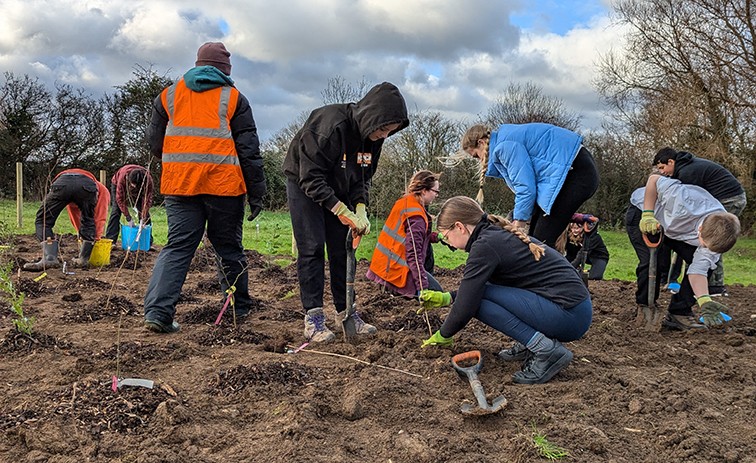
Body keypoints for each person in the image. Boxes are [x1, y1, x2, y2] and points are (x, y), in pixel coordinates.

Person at [143, 42, 267, 334]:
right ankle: (238, 309)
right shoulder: (234, 98)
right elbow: (249, 151)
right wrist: (257, 193)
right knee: (228, 248)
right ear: (225, 70)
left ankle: (159, 313)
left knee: (177, 247)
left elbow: (154, 143)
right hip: (223, 187)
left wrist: (181, 162)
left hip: (179, 186)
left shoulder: (168, 96)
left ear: (197, 65)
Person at [419, 196, 592, 385]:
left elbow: (468, 302)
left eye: (446, 236)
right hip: (573, 310)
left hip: (569, 316)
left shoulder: (485, 245)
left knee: (477, 301)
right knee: (481, 294)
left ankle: (546, 350)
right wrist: (448, 298)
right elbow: (484, 288)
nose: (447, 241)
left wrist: (444, 334)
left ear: (459, 227)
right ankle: (532, 344)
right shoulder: (493, 234)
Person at [284, 82, 409, 343]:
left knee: (342, 248)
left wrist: (360, 209)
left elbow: (362, 178)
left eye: (391, 131)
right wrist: (340, 209)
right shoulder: (330, 125)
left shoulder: (374, 139)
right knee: (313, 248)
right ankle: (314, 318)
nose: (385, 135)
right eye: (384, 129)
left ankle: (347, 311)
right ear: (372, 117)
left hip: (339, 187)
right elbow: (311, 177)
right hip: (304, 184)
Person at [455, 123, 599, 248]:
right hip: (572, 172)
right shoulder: (506, 140)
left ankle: (550, 277)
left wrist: (518, 225)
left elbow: (526, 189)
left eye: (476, 156)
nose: (479, 161)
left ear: (481, 143)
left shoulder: (505, 147)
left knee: (541, 241)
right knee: (535, 238)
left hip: (576, 173)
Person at [628, 174, 740, 330]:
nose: (706, 250)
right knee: (650, 263)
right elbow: (653, 179)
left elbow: (698, 271)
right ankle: (645, 305)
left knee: (707, 267)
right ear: (700, 230)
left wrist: (704, 299)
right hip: (646, 211)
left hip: (676, 229)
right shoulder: (683, 200)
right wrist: (648, 214)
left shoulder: (721, 232)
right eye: (705, 245)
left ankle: (679, 312)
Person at [653, 147, 747, 296]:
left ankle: (714, 286)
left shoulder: (687, 173)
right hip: (720, 198)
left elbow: (686, 202)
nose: (662, 172)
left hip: (729, 199)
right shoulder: (685, 167)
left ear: (671, 161)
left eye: (662, 167)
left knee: (715, 238)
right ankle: (675, 278)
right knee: (692, 236)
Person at [366, 170, 444, 298]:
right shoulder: (416, 216)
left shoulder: (405, 202)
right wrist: (422, 287)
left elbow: (411, 236)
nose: (437, 196)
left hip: (384, 267)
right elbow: (414, 254)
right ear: (424, 190)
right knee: (438, 296)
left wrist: (436, 237)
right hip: (398, 272)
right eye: (436, 192)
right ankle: (401, 291)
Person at [23, 169, 110, 271]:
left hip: (62, 185)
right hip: (86, 187)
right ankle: (83, 259)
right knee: (88, 220)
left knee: (43, 221)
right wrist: (89, 236)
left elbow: (99, 215)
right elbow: (93, 216)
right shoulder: (94, 189)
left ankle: (49, 258)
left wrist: (93, 236)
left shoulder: (102, 191)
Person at [104, 164, 154, 244]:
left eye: (136, 186)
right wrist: (128, 217)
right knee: (116, 211)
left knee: (145, 214)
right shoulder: (123, 177)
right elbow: (120, 199)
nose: (134, 187)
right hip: (117, 184)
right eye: (133, 184)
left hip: (140, 187)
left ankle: (147, 241)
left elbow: (147, 199)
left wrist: (143, 216)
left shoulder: (148, 181)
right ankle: (111, 240)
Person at [555, 213, 609, 280]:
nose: (574, 230)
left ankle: (590, 271)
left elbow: (582, 254)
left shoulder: (592, 237)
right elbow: (570, 253)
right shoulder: (569, 235)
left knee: (594, 278)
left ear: (583, 227)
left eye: (577, 228)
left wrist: (571, 267)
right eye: (572, 228)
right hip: (577, 255)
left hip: (598, 256)